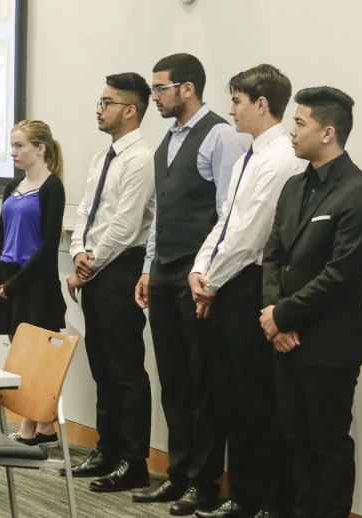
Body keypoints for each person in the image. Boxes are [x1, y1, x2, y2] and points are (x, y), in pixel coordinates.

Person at [259, 87, 362, 518]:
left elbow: (339, 275)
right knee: (293, 440)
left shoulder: (359, 194)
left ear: (328, 132)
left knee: (327, 445)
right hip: (285, 338)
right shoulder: (295, 186)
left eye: (300, 123)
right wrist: (274, 317)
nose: (291, 131)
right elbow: (273, 254)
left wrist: (283, 315)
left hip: (329, 346)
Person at [132, 53, 246, 515]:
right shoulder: (168, 141)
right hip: (163, 276)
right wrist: (147, 265)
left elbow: (228, 215)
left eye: (160, 89)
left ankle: (204, 482)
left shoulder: (220, 135)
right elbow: (161, 213)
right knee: (174, 382)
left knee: (202, 386)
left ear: (187, 88)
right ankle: (177, 474)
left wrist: (211, 279)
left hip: (197, 280)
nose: (154, 97)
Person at [190, 65, 305, 518]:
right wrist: (199, 271)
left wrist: (210, 282)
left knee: (257, 402)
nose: (231, 109)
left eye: (236, 100)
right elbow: (224, 224)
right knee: (231, 399)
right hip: (225, 284)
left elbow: (250, 235)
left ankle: (266, 501)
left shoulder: (279, 160)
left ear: (261, 104)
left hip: (249, 286)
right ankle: (242, 494)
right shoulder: (246, 156)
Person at [63, 73, 155, 493]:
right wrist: (77, 252)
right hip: (96, 267)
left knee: (125, 370)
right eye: (100, 102)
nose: (99, 110)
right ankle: (107, 449)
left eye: (107, 102)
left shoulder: (142, 158)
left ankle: (133, 461)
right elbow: (86, 211)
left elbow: (126, 222)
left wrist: (91, 262)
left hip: (121, 267)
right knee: (101, 365)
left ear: (130, 110)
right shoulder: (103, 157)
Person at [0, 119, 67, 445]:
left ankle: (31, 427)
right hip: (9, 277)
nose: (13, 152)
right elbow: (1, 235)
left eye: (19, 146)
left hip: (34, 283)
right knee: (20, 355)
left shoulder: (52, 187)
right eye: (12, 145)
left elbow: (47, 248)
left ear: (40, 149)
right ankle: (44, 427)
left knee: (35, 359)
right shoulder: (11, 188)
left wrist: (16, 283)